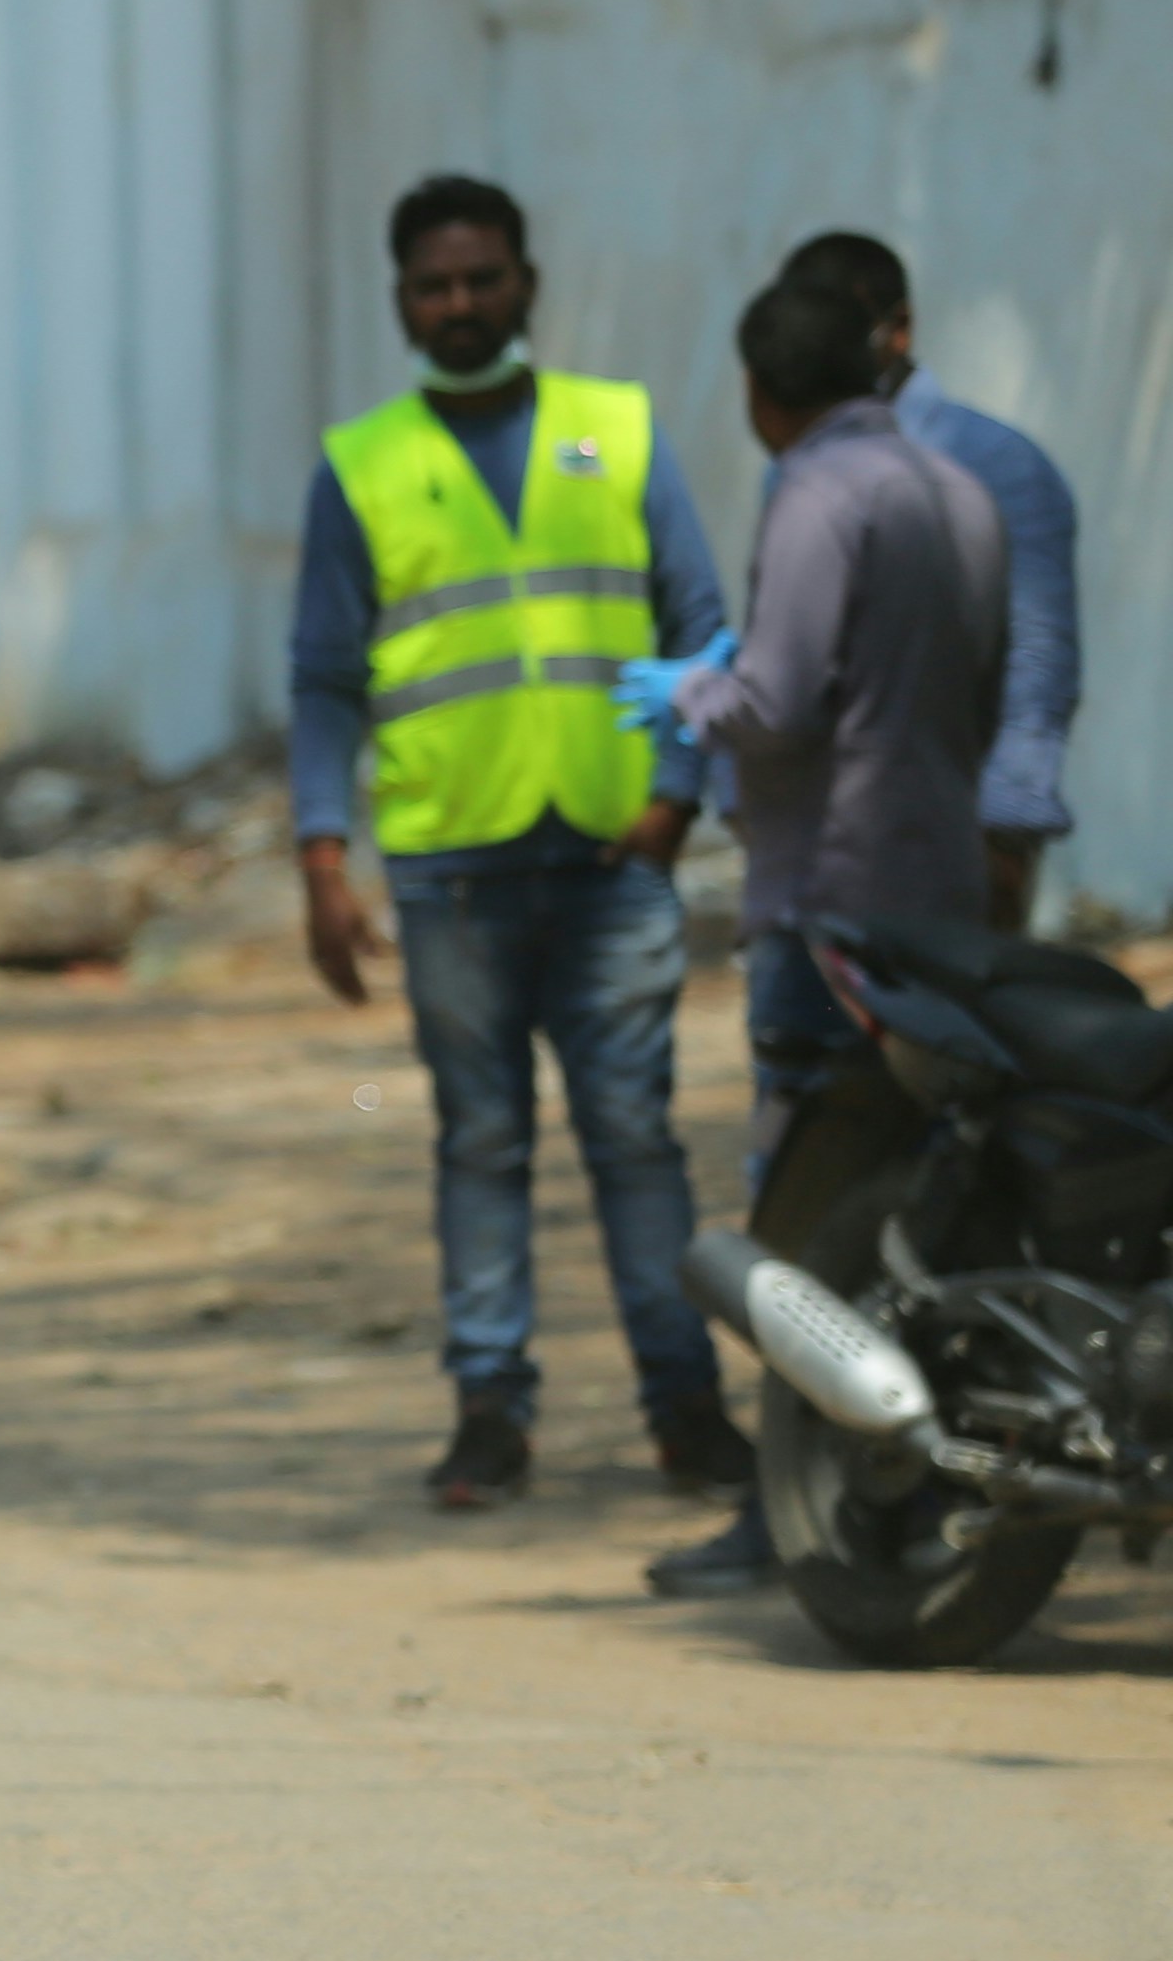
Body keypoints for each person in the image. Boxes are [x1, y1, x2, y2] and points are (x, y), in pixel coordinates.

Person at [286, 176, 743, 1515]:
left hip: (612, 861)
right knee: (480, 1145)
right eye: (436, 285)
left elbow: (697, 620)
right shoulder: (361, 466)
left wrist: (677, 793)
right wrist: (324, 855)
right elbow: (325, 678)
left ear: (527, 283)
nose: (462, 303)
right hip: (454, 873)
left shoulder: (619, 430)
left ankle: (688, 1408)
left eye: (483, 277)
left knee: (637, 1143)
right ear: (402, 302)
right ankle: (490, 1412)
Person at [618, 263, 1010, 1594]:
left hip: (826, 902)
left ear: (761, 394)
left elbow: (777, 699)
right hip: (945, 895)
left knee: (801, 1217)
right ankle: (920, 1485)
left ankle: (793, 1503)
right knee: (927, 1209)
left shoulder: (816, 495)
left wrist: (693, 694)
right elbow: (985, 687)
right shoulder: (960, 491)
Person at [759, 231, 1077, 933]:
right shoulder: (790, 465)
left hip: (953, 843)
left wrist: (1006, 828)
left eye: (842, 331)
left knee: (949, 1039)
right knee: (807, 1042)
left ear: (897, 331)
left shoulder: (996, 463)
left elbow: (1037, 655)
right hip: (818, 850)